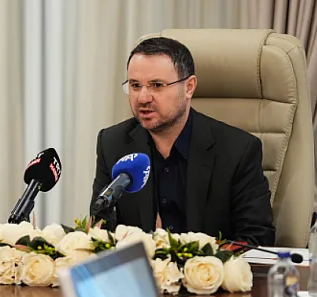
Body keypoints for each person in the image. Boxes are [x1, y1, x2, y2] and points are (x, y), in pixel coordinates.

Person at [90, 37, 275, 246]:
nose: (142, 98)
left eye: (157, 85)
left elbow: (256, 239)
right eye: (135, 85)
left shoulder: (237, 151)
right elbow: (100, 230)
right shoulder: (113, 144)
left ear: (189, 87)